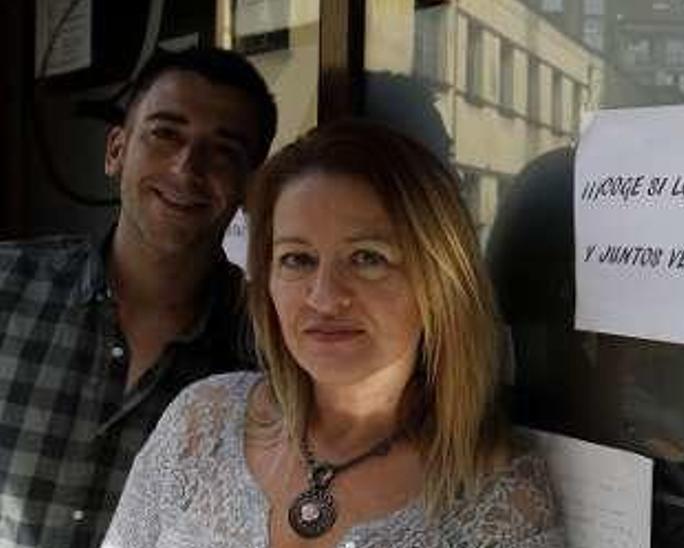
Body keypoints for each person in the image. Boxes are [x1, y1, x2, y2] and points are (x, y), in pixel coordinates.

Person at [103, 120, 566, 547]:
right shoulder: (199, 424)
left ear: (441, 280)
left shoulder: (501, 499)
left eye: (368, 258)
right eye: (297, 259)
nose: (324, 298)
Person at [0, 48, 275, 546]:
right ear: (115, 151)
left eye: (223, 150)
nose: (186, 168)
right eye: (165, 133)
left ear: (250, 188)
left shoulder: (265, 355)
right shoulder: (8, 284)